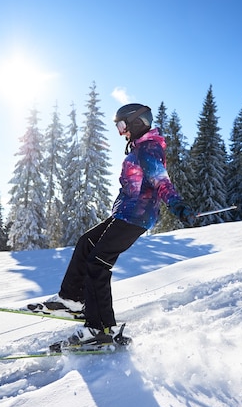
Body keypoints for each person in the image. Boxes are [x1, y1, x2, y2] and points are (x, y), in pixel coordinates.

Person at [37, 103, 195, 346]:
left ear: (136, 123)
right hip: (125, 214)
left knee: (97, 264)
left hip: (137, 216)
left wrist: (178, 206)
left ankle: (100, 328)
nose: (121, 132)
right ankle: (72, 300)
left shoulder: (149, 148)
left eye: (122, 126)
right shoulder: (139, 147)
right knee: (86, 243)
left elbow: (162, 181)